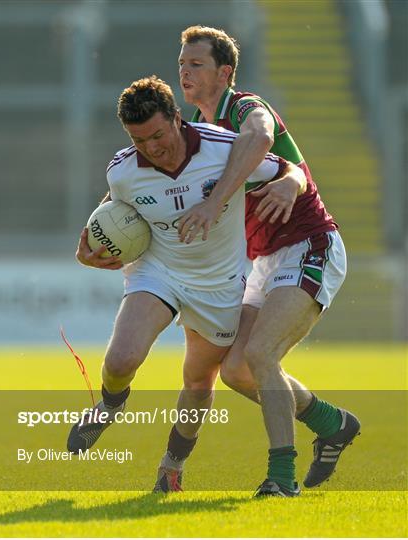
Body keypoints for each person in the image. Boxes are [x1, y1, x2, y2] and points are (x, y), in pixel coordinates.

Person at [66, 75, 307, 493]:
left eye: (158, 135)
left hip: (218, 283)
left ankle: (171, 466)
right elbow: (113, 206)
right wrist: (89, 245)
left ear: (177, 118)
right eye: (140, 141)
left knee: (198, 382)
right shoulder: (123, 169)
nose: (152, 148)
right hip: (158, 270)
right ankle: (109, 404)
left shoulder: (224, 147)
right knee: (122, 358)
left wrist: (291, 183)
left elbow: (289, 170)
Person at [173, 26, 361, 497]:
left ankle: (282, 477)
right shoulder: (194, 131)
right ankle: (331, 423)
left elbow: (262, 136)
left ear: (225, 72)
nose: (185, 71)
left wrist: (285, 182)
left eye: (196, 64)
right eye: (182, 64)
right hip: (265, 260)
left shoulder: (244, 107)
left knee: (260, 354)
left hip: (310, 244)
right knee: (236, 369)